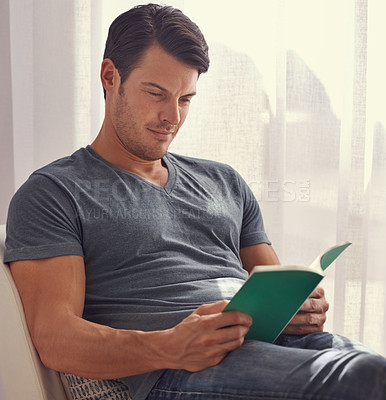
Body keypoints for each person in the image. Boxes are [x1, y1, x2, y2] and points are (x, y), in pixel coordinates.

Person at [4, 3, 386, 400]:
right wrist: (169, 346)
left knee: (373, 372)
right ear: (109, 76)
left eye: (185, 99)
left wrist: (301, 309)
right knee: (366, 378)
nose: (172, 116)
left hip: (275, 353)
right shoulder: (54, 193)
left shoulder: (224, 181)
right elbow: (55, 338)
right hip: (177, 372)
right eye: (156, 93)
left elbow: (274, 287)